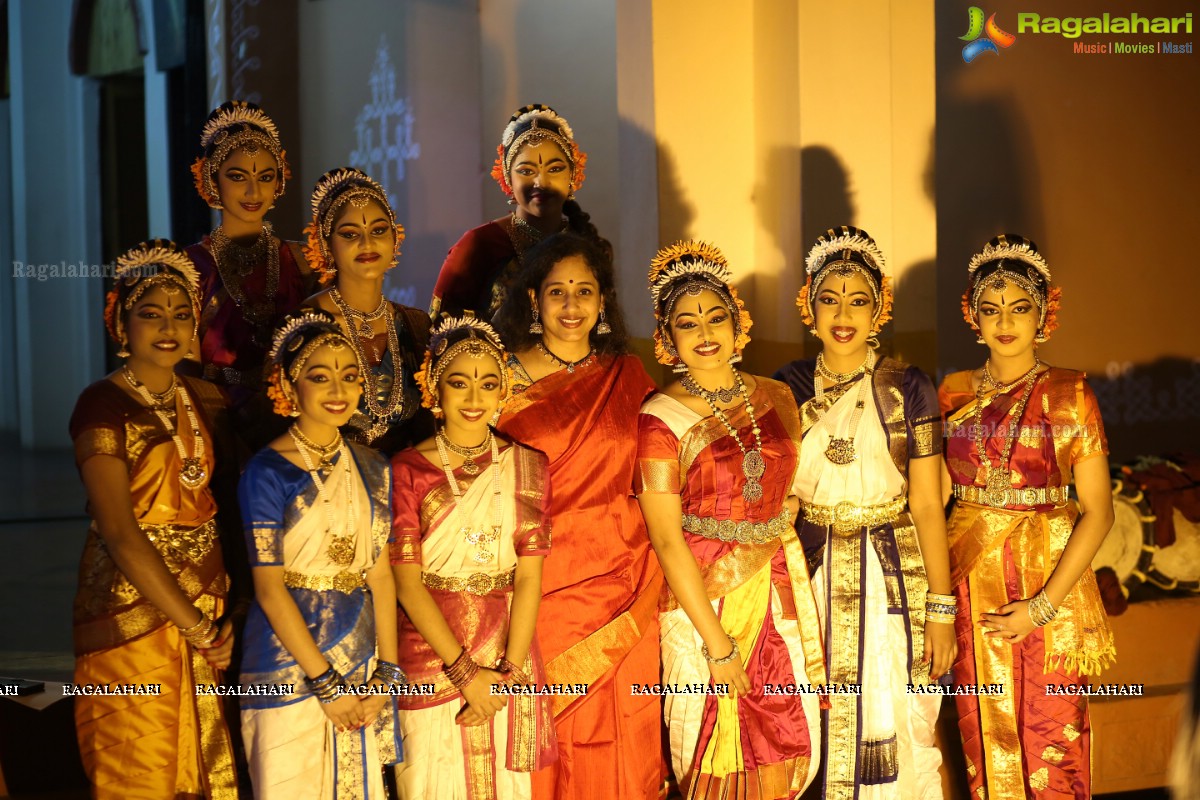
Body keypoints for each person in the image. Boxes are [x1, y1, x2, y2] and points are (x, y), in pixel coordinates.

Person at [635, 241, 827, 798]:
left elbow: (782, 486)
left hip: (776, 585)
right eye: (686, 322)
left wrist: (780, 509)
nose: (704, 332)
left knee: (787, 735)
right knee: (707, 740)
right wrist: (716, 645)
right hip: (703, 597)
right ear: (667, 338)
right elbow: (667, 540)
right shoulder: (659, 417)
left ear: (737, 322)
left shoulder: (775, 394)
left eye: (715, 316)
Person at [773, 226, 955, 800]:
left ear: (880, 308)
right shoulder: (785, 387)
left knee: (896, 720)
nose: (843, 314)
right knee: (814, 719)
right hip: (813, 574)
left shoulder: (908, 386)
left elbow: (927, 502)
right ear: (809, 305)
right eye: (830, 298)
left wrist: (942, 610)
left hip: (892, 578)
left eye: (858, 300)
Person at [939, 234, 1115, 799]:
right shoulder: (952, 392)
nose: (1005, 322)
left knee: (1052, 740)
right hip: (970, 586)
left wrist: (1041, 608)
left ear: (1044, 314)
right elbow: (936, 496)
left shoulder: (1070, 395)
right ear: (973, 315)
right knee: (979, 738)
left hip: (1049, 584)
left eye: (1019, 308)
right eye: (991, 309)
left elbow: (1099, 512)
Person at [493, 232, 665, 799]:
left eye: (584, 292)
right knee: (552, 739)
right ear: (533, 301)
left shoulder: (628, 375)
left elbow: (664, 467)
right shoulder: (498, 379)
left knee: (625, 735)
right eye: (557, 292)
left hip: (628, 579)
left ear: (602, 301)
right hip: (540, 585)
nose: (572, 306)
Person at [70, 240, 238, 798]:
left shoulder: (207, 397)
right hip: (132, 613)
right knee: (138, 766)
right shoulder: (102, 405)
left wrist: (218, 617)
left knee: (199, 764)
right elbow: (119, 532)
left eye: (181, 313)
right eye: (150, 313)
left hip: (207, 606)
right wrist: (195, 625)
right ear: (121, 323)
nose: (168, 326)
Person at [237, 310, 402, 798]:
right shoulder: (266, 472)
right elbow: (268, 589)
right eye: (319, 376)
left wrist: (385, 676)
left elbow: (383, 577)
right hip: (285, 661)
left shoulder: (373, 466)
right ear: (290, 385)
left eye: (350, 377)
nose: (338, 390)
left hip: (363, 657)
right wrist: (325, 684)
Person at [391, 316, 557, 798]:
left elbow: (530, 577)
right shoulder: (408, 468)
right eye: (458, 383)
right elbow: (406, 583)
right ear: (434, 392)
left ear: (503, 391)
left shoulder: (528, 465)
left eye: (488, 384)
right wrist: (465, 673)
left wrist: (508, 673)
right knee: (429, 781)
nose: (473, 397)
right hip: (430, 657)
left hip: (507, 648)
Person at [186, 101, 313, 433]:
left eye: (265, 177)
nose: (254, 191)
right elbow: (183, 371)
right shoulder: (191, 268)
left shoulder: (306, 263)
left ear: (279, 182)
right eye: (238, 176)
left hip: (297, 420)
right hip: (215, 422)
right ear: (212, 179)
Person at [429, 104, 607, 320]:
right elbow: (438, 328)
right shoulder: (479, 245)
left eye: (555, 169)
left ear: (573, 174)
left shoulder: (589, 243)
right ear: (507, 179)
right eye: (526, 171)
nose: (541, 182)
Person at [303, 167, 432, 454]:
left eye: (378, 230)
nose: (367, 243)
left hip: (404, 489)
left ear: (395, 238)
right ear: (326, 244)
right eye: (350, 234)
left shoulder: (415, 325)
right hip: (331, 488)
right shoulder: (308, 324)